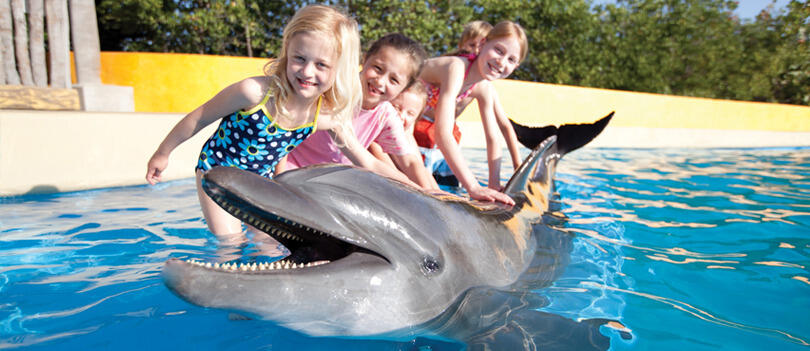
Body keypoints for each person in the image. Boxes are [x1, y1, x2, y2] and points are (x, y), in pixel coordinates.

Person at [145, 5, 415, 256]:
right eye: (299, 58)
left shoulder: (324, 115)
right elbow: (198, 117)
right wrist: (162, 153)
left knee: (271, 245)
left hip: (260, 181)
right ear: (287, 51)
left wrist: (420, 190)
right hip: (218, 172)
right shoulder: (253, 92)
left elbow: (367, 161)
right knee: (230, 243)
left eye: (321, 65)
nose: (307, 71)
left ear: (339, 70)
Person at [277, 33, 438, 190]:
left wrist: (431, 195)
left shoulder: (385, 114)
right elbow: (283, 131)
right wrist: (279, 180)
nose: (380, 81)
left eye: (393, 80)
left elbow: (409, 162)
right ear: (365, 58)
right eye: (378, 68)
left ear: (404, 88)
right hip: (292, 174)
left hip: (326, 185)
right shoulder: (335, 90)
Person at [416, 21, 528, 205]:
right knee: (428, 193)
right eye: (499, 51)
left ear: (515, 67)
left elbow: (493, 138)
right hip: (394, 116)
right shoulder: (456, 68)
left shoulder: (483, 87)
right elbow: (442, 133)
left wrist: (494, 183)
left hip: (420, 132)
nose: (501, 62)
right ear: (483, 44)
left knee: (450, 189)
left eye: (511, 59)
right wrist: (473, 187)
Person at [368, 80, 430, 177]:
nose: (402, 116)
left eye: (410, 114)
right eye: (396, 107)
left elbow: (421, 170)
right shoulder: (375, 142)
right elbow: (394, 178)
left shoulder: (408, 138)